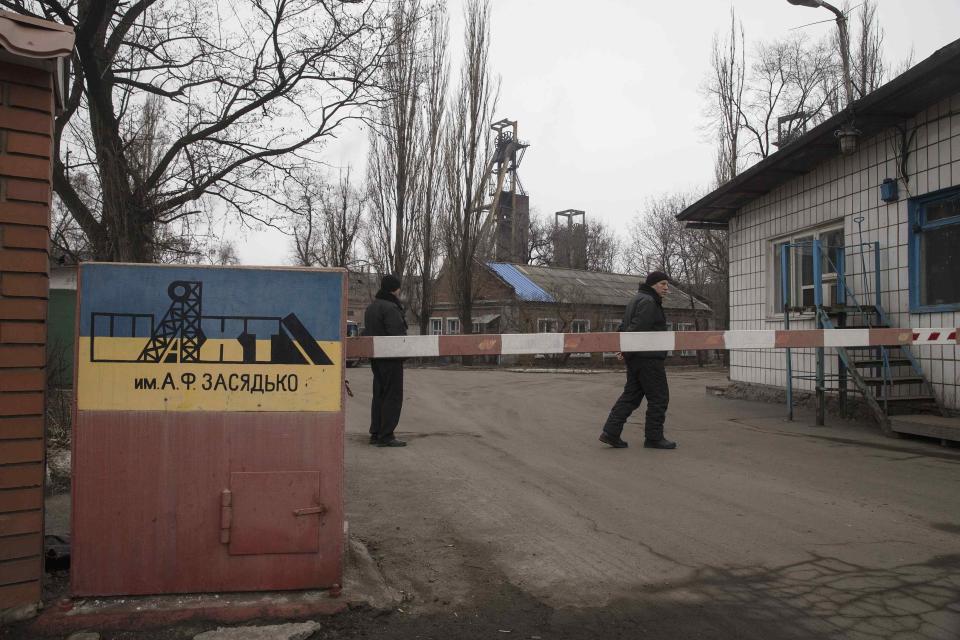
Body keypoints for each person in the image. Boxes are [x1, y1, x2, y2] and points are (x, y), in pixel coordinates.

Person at [599, 270, 676, 450]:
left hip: (636, 358)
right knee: (659, 397)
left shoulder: (637, 299)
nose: (666, 288)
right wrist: (624, 349)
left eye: (667, 285)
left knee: (631, 396)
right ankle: (654, 437)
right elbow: (636, 329)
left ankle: (611, 432)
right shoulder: (649, 302)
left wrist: (623, 349)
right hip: (648, 358)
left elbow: (624, 326)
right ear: (652, 284)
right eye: (663, 284)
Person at [363, 274, 409, 447]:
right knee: (392, 396)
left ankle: (376, 432)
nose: (399, 291)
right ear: (394, 289)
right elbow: (397, 336)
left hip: (376, 358)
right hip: (391, 358)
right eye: (398, 288)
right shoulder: (390, 308)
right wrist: (403, 355)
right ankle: (387, 435)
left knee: (379, 395)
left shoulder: (371, 308)